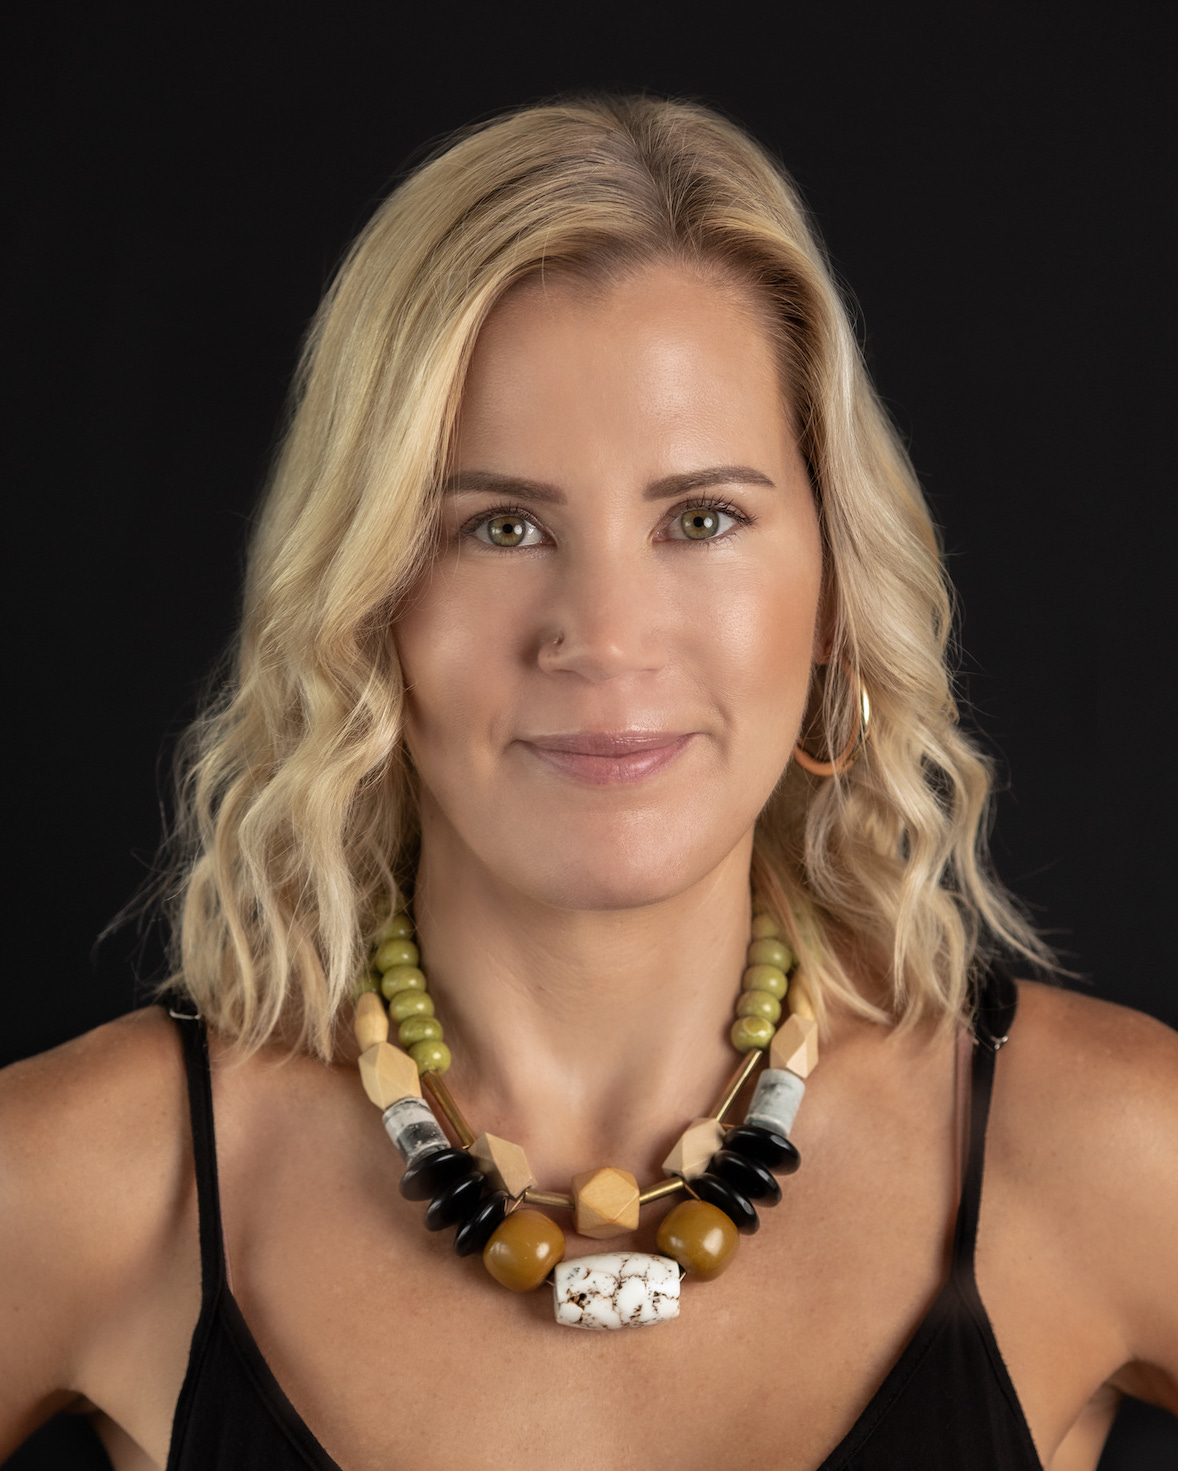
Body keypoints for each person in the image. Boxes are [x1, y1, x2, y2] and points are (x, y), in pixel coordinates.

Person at [1, 93, 1175, 1471]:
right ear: (362, 601)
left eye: (702, 517)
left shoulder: (1104, 1156)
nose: (605, 637)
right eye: (499, 527)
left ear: (837, 593)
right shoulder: (92, 1183)